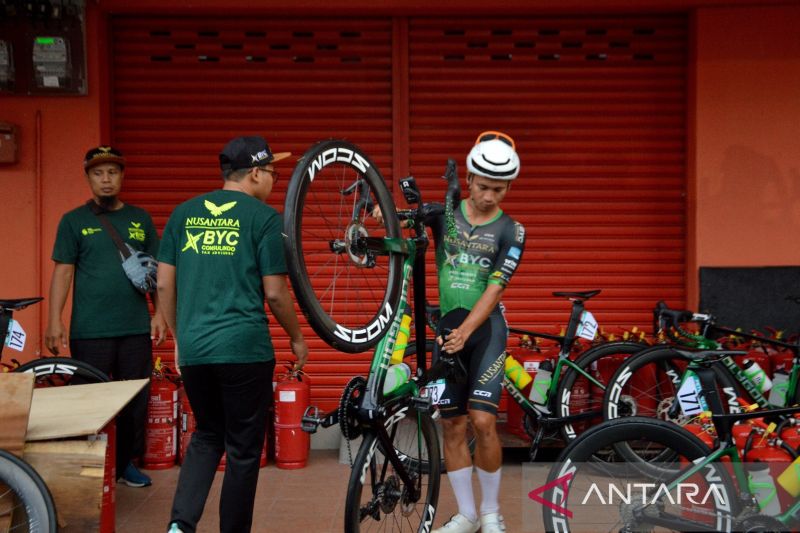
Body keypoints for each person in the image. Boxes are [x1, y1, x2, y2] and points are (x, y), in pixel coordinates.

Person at [374, 132, 525, 533]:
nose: (488, 195)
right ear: (470, 177)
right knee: (452, 425)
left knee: (483, 421)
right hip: (446, 329)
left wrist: (465, 331)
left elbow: (495, 288)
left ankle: (492, 513)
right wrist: (379, 212)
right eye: (482, 185)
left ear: (507, 187)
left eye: (498, 189)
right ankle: (467, 515)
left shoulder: (513, 231)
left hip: (484, 331)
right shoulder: (443, 213)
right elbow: (400, 217)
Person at [158, 135, 309, 533]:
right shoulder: (263, 219)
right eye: (274, 173)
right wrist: (296, 337)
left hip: (196, 351)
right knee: (242, 450)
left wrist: (178, 337)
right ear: (255, 172)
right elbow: (275, 293)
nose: (276, 181)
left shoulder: (182, 214)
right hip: (245, 349)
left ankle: (180, 525)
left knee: (207, 434)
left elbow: (163, 286)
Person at [45, 145, 166, 488]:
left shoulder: (140, 219)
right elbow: (63, 273)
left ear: (122, 176)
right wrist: (55, 321)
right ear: (88, 178)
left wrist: (159, 315)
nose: (106, 179)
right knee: (88, 399)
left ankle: (124, 464)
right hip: (91, 330)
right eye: (98, 173)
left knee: (133, 400)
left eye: (112, 172)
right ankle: (86, 467)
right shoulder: (73, 221)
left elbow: (154, 273)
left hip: (134, 329)